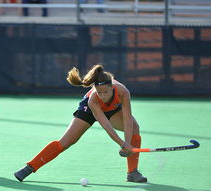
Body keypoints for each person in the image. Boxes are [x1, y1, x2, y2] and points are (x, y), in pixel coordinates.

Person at [14, 64, 147, 183]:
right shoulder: (93, 99)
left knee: (135, 127)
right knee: (66, 141)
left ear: (112, 87)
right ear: (95, 89)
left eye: (106, 92)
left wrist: (127, 145)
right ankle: (29, 167)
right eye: (100, 92)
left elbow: (127, 121)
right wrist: (123, 144)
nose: (103, 95)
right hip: (89, 110)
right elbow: (107, 126)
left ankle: (132, 172)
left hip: (112, 109)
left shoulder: (123, 92)